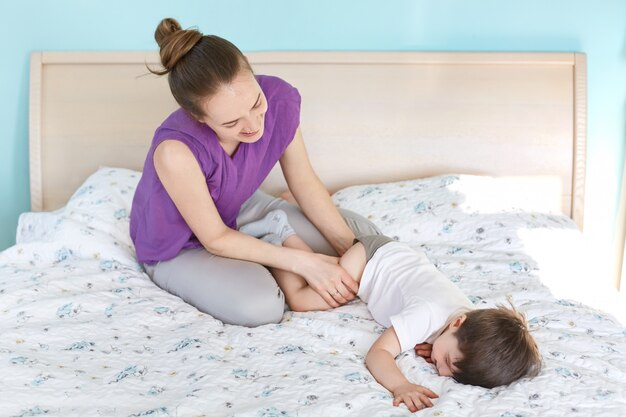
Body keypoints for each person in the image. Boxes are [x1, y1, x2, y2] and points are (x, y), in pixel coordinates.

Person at [129, 18, 381, 327]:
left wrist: (351, 247)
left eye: (256, 103)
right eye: (231, 123)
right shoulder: (175, 152)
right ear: (197, 116)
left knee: (370, 242)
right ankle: (273, 245)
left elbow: (303, 182)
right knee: (262, 307)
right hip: (182, 244)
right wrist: (306, 263)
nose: (253, 125)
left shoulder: (280, 99)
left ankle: (271, 234)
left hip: (240, 207)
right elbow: (216, 238)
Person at [240, 209, 542, 412]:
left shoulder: (465, 320)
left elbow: (445, 336)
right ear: (457, 323)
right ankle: (277, 235)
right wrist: (401, 384)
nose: (441, 370)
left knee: (328, 281)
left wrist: (436, 345)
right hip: (372, 260)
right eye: (448, 361)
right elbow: (378, 354)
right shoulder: (426, 314)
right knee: (304, 299)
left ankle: (283, 237)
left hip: (393, 255)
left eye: (451, 372)